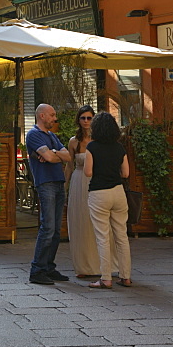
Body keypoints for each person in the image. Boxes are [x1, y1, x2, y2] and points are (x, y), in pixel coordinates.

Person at [84, 111, 132, 289]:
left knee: (103, 237)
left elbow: (88, 172)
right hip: (118, 192)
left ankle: (106, 278)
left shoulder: (92, 147)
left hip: (99, 193)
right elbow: (126, 173)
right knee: (121, 236)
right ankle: (125, 276)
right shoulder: (119, 148)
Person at [26, 103, 71, 285]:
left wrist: (52, 152)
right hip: (45, 183)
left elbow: (68, 156)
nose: (55, 118)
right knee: (48, 227)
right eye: (52, 115)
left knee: (55, 230)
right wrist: (54, 154)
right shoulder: (34, 135)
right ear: (42, 116)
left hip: (58, 182)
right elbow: (55, 158)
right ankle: (37, 270)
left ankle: (48, 267)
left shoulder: (51, 136)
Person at [66, 105, 105, 278]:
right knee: (80, 222)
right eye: (83, 118)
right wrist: (64, 185)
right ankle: (83, 266)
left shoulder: (100, 140)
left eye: (89, 118)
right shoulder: (73, 141)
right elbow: (69, 165)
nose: (86, 121)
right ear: (79, 120)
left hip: (97, 181)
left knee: (97, 223)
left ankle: (102, 265)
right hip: (79, 181)